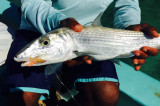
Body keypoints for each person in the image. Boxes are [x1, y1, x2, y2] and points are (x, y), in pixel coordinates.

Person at [5, 0, 159, 106]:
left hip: (89, 33)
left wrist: (129, 27)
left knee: (107, 96)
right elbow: (32, 2)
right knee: (22, 99)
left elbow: (127, 4)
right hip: (38, 28)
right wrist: (60, 23)